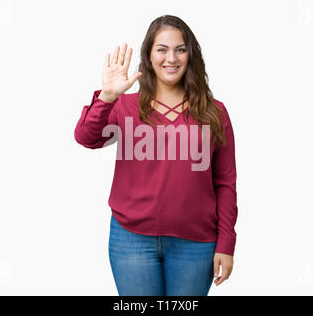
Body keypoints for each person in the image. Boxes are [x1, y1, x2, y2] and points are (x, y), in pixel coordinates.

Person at [74, 15, 238, 296]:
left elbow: (225, 183)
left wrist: (227, 242)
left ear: (191, 55)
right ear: (149, 56)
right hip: (131, 240)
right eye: (161, 49)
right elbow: (86, 138)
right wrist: (107, 97)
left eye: (180, 49)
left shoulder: (214, 112)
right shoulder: (124, 106)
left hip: (196, 243)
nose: (171, 58)